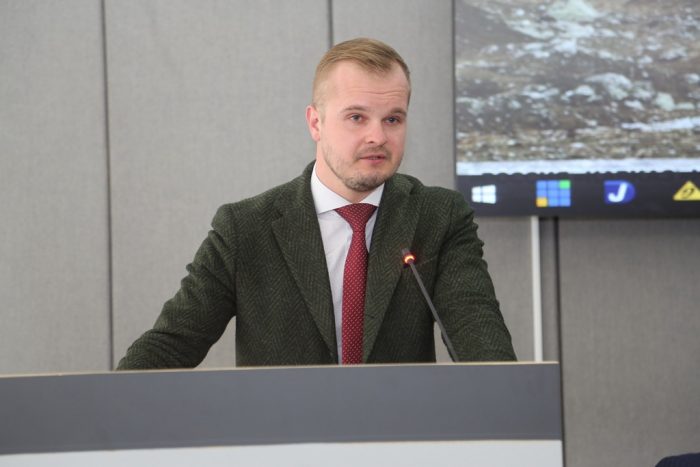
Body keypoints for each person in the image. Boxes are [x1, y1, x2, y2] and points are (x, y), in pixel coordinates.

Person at [117, 37, 515, 369]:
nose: (378, 137)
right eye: (356, 117)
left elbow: (481, 341)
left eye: (393, 119)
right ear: (315, 123)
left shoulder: (439, 217)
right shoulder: (245, 228)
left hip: (397, 433)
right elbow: (171, 345)